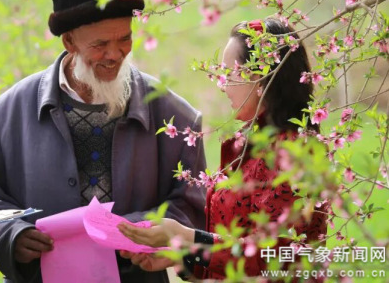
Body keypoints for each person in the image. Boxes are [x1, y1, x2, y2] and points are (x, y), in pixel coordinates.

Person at [0, 0, 207, 283]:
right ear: (69, 41)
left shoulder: (174, 116)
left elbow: (192, 204)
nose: (115, 54)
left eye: (124, 39)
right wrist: (13, 234)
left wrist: (141, 229)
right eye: (100, 44)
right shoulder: (7, 113)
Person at [118, 18, 328, 279]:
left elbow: (276, 256)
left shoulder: (296, 153)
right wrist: (182, 253)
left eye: (230, 73)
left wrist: (186, 237)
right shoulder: (247, 145)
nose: (223, 85)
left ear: (260, 76)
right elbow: (229, 243)